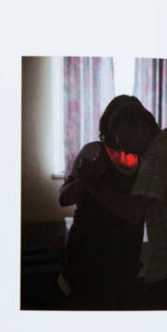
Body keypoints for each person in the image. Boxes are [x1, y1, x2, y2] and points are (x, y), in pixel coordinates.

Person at [95, 100, 167, 309]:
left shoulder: (157, 157)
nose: (125, 150)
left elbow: (133, 212)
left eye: (126, 141)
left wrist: (92, 184)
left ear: (142, 126)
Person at [57, 95, 145, 309]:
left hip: (125, 253)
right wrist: (87, 180)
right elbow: (64, 198)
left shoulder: (145, 158)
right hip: (89, 252)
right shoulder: (94, 151)